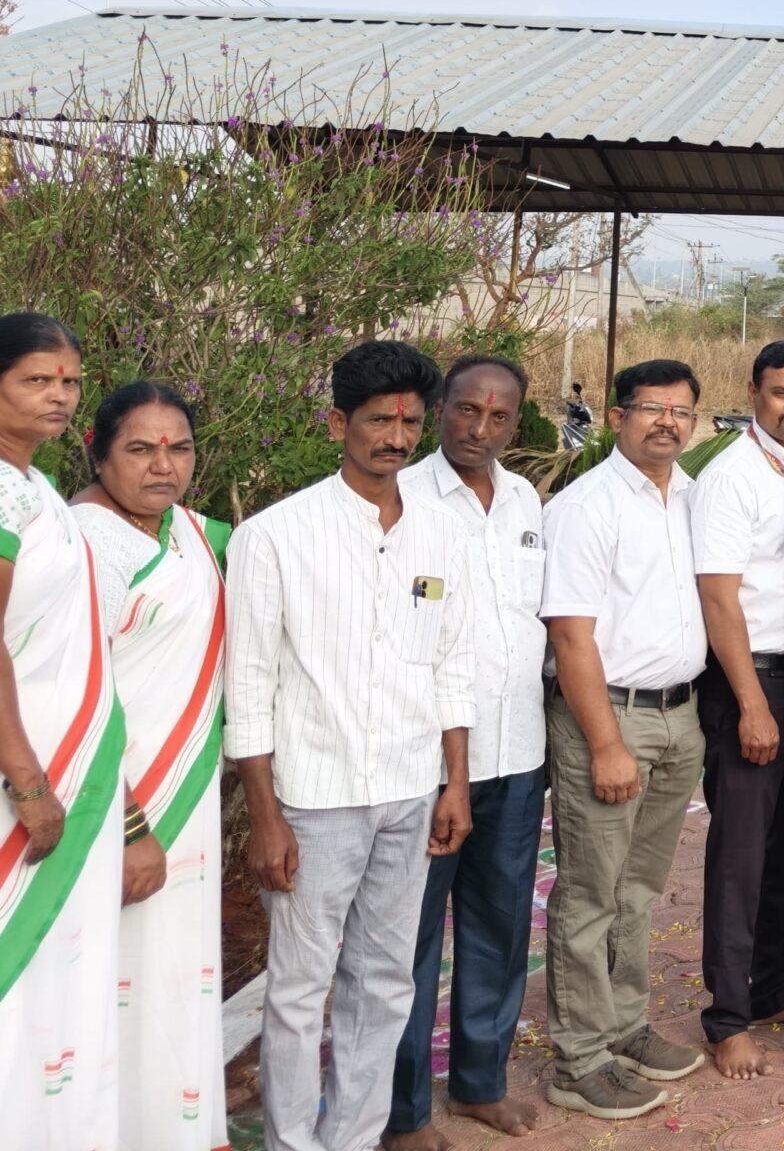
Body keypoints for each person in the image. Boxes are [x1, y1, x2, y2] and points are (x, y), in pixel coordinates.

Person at [228, 340, 476, 1151]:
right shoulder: (275, 536)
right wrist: (265, 816)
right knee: (300, 990)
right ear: (339, 423)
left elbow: (452, 663)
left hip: (410, 789)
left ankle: (356, 1138)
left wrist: (455, 781)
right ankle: (292, 1142)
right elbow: (250, 684)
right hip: (314, 798)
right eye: (377, 421)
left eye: (410, 423)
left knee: (386, 980)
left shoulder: (444, 534)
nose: (396, 438)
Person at [539, 358, 711, 1119]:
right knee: (590, 894)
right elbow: (571, 635)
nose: (667, 422)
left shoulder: (692, 498)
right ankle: (578, 1060)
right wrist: (605, 743)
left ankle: (624, 1026)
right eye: (651, 408)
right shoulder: (588, 505)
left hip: (679, 716)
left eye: (681, 411)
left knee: (637, 890)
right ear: (617, 417)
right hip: (609, 718)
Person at [386, 353, 549, 1149]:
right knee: (408, 942)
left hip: (517, 753)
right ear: (439, 407)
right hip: (426, 762)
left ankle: (481, 1081)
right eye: (465, 410)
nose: (479, 428)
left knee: (499, 925)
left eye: (498, 416)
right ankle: (404, 1110)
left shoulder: (524, 500)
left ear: (516, 423)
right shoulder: (399, 499)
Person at [70, 382, 229, 1151]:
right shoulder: (79, 546)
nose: (164, 466)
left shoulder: (194, 536)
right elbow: (68, 698)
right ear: (97, 452)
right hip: (105, 806)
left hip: (188, 804)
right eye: (140, 448)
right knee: (98, 986)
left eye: (179, 448)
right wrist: (130, 827)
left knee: (173, 979)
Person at [689, 340, 784, 1079]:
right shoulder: (730, 476)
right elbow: (718, 597)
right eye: (781, 392)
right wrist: (749, 702)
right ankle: (727, 1016)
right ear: (753, 394)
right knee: (741, 857)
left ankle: (774, 987)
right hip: (754, 680)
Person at [0, 315, 121, 1149]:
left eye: (71, 381)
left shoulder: (35, 485)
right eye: (38, 379)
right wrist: (28, 779)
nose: (61, 395)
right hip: (22, 774)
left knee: (51, 976)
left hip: (60, 761)